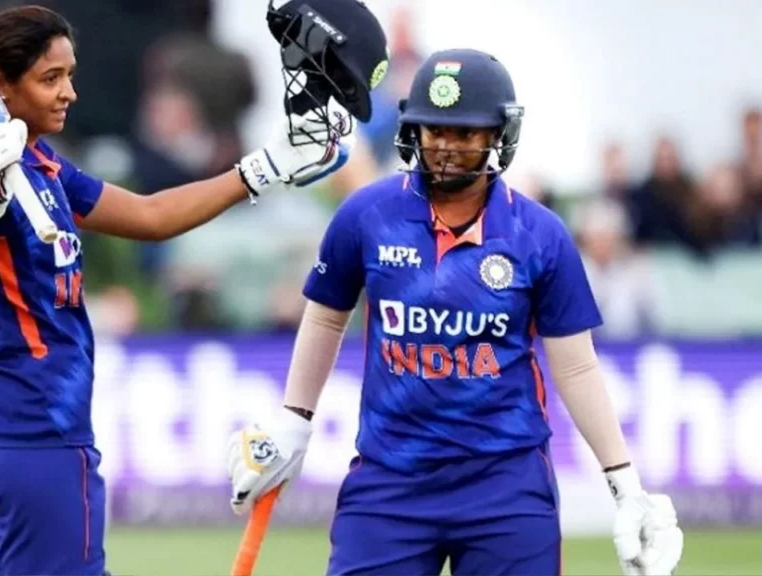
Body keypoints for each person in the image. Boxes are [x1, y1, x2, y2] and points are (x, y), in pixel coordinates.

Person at [0, 2, 388, 575]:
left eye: (69, 75)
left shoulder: (40, 165)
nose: (69, 92)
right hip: (34, 432)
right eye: (51, 78)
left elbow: (149, 217)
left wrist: (261, 169)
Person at [225, 48, 685, 576]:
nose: (445, 146)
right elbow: (327, 316)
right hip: (389, 482)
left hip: (505, 487)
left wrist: (625, 486)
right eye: (435, 130)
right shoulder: (366, 216)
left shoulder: (540, 235)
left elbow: (577, 366)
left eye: (465, 133)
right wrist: (295, 420)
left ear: (498, 135)